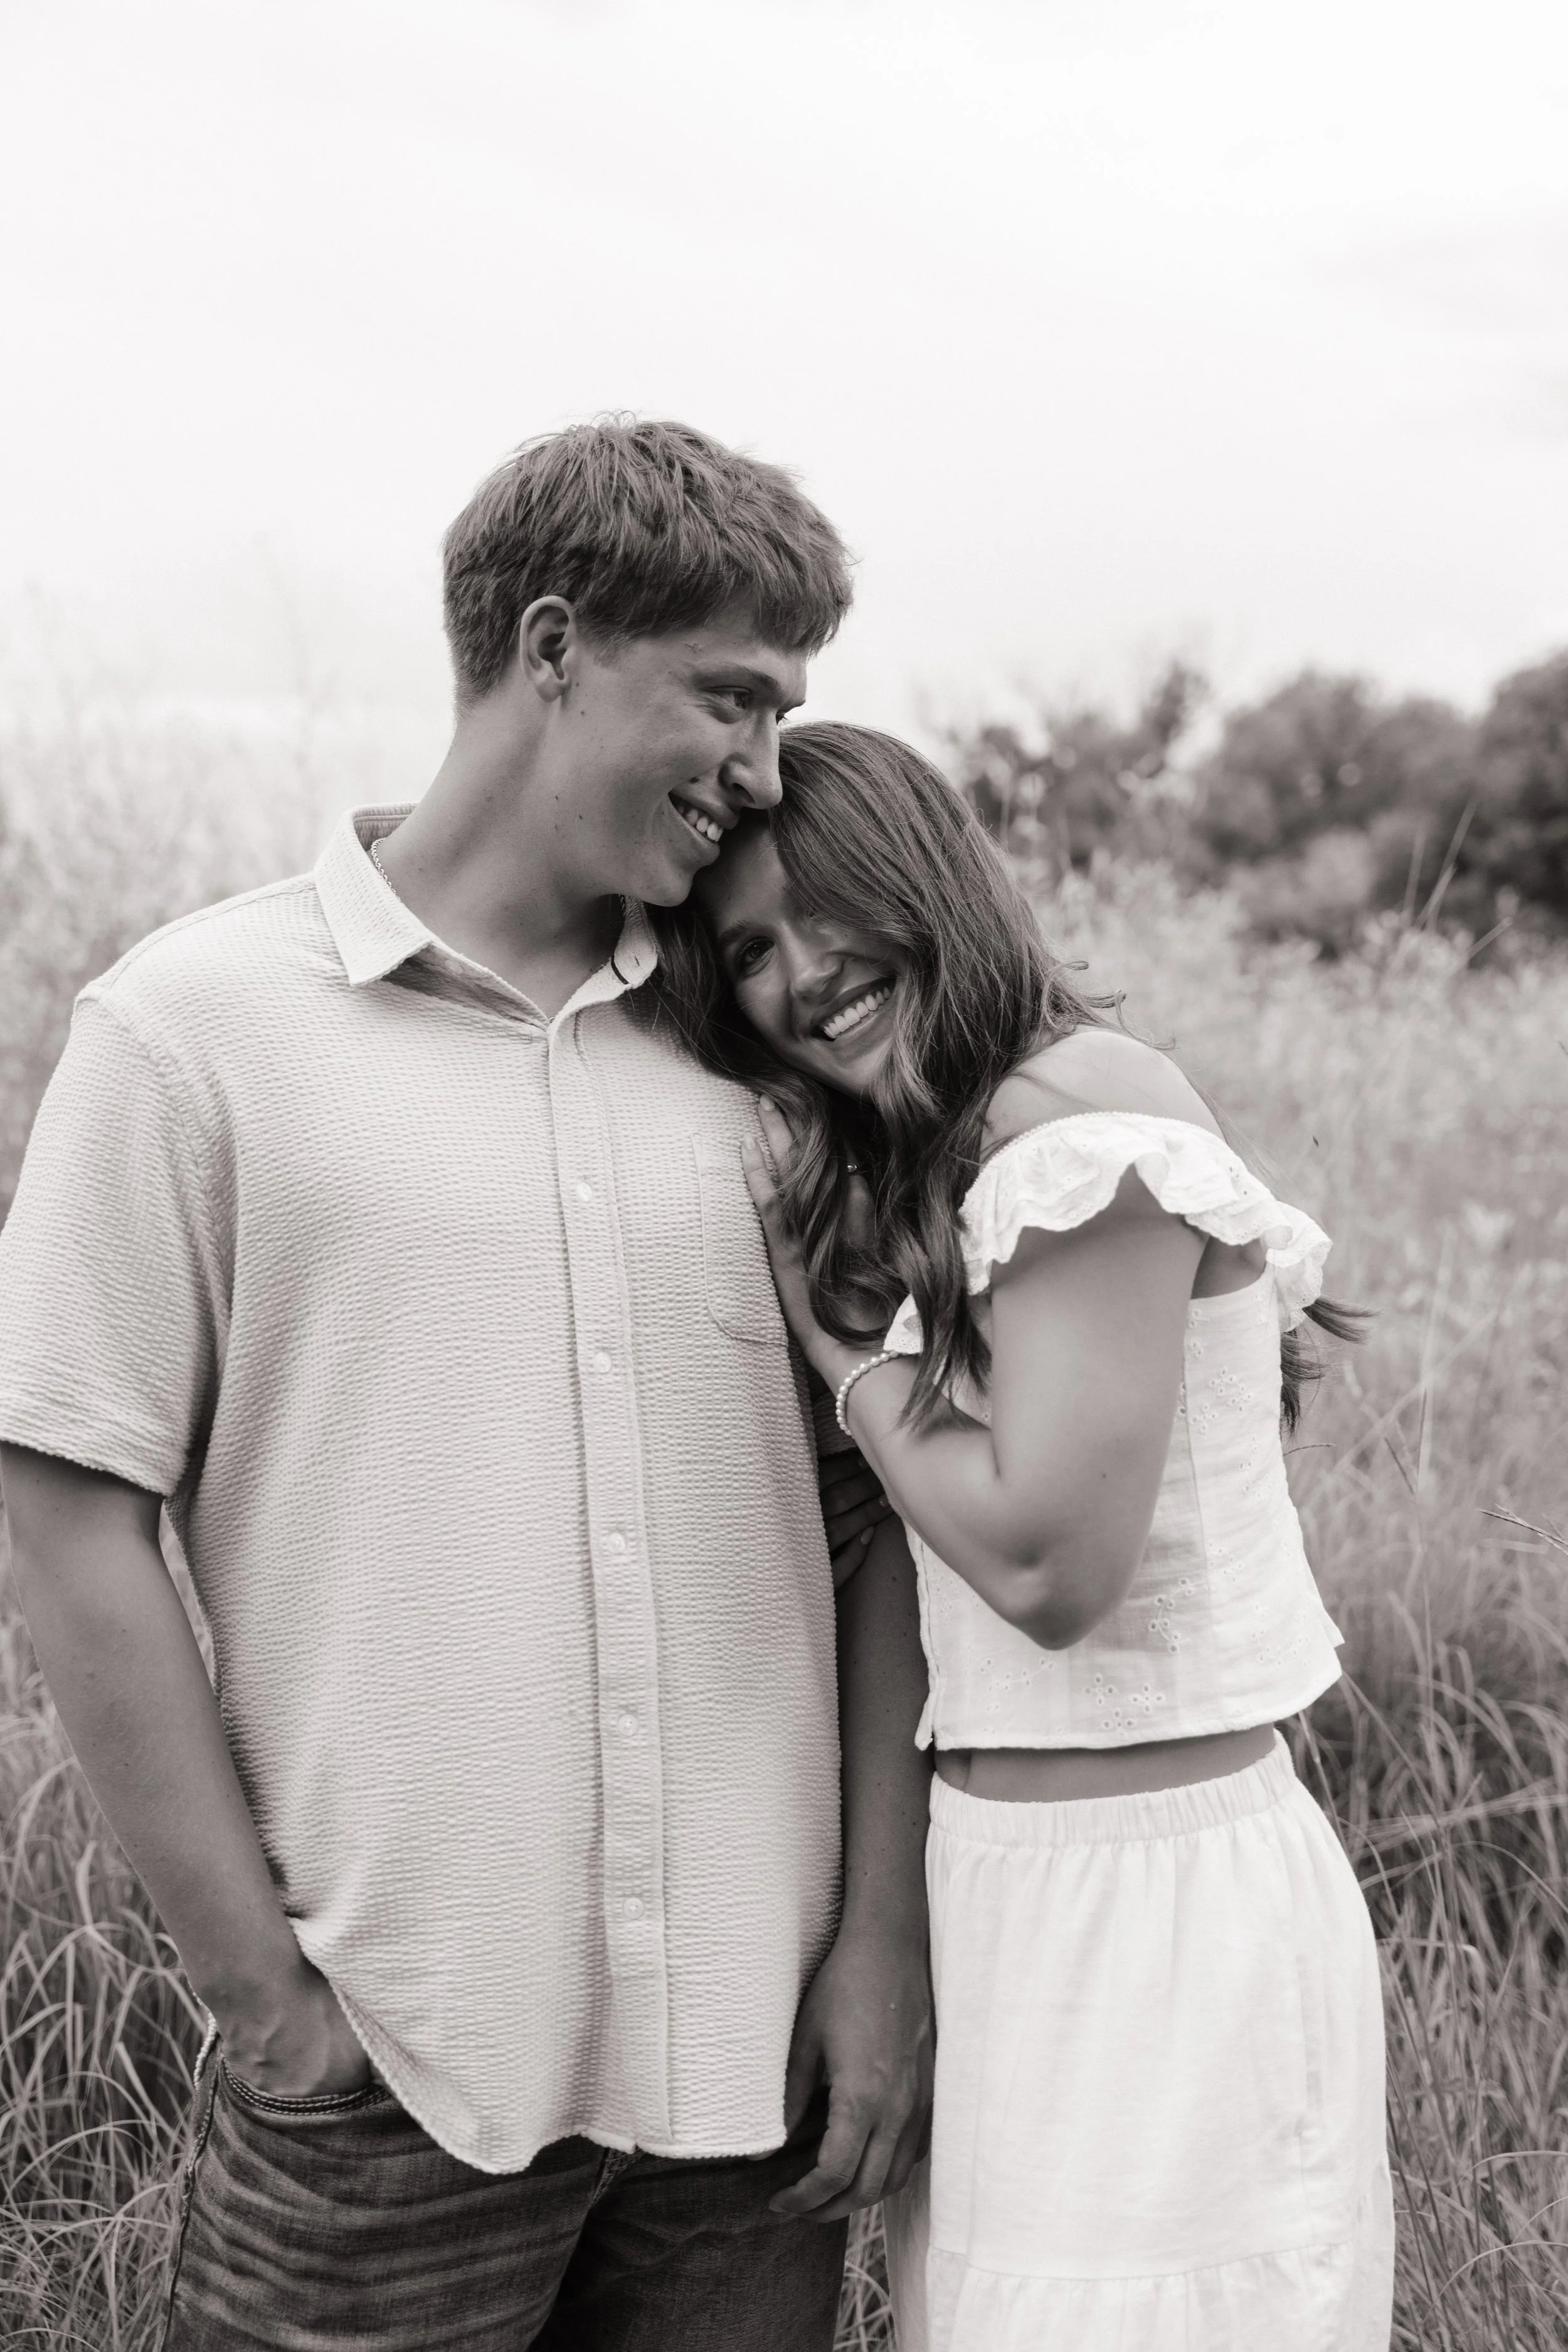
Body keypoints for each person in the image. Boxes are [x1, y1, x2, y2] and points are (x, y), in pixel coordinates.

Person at [0, 426, 934, 2352]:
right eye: (734, 697)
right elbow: (68, 1502)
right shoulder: (191, 1030)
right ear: (554, 644)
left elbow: (877, 1526)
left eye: (785, 712)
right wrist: (268, 1999)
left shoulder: (768, 1053)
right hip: (389, 2070)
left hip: (746, 2082)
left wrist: (877, 1941)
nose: (766, 770)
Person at [651, 719, 1394, 2351]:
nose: (801, 977)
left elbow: (1051, 1567)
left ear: (925, 877)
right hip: (1007, 1888)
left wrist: (849, 1365)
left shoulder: (1075, 1128)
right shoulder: (954, 1145)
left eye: (824, 908)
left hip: (1162, 1907)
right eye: (750, 950)